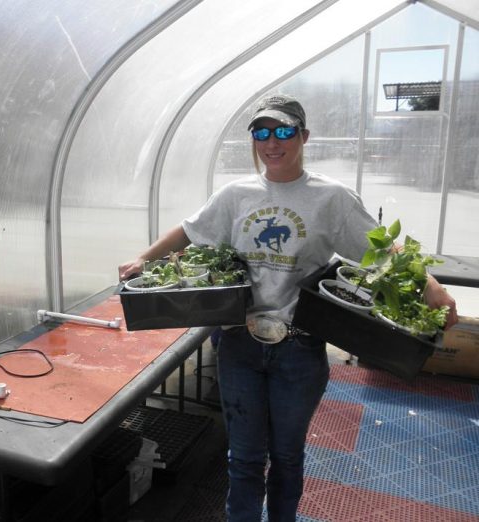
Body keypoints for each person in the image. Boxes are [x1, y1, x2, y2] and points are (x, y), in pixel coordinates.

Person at [118, 93, 457, 521]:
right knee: (242, 459)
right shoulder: (235, 195)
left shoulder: (331, 198)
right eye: (261, 132)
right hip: (239, 344)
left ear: (304, 136)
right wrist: (143, 259)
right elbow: (188, 231)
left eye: (283, 131)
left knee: (287, 457)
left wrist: (433, 290)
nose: (271, 142)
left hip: (299, 349)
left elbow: (385, 253)